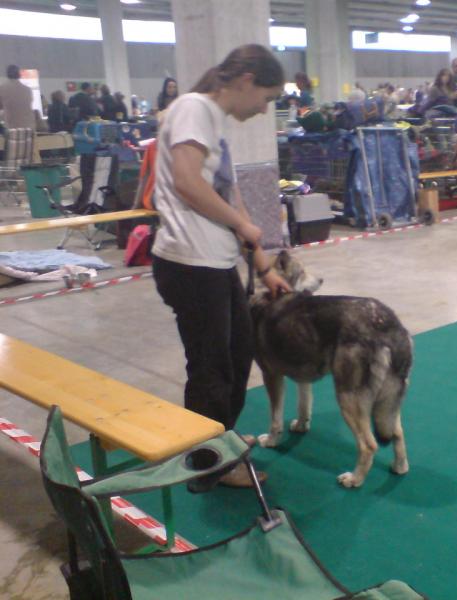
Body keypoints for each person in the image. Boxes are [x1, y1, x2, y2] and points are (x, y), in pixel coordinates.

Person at [151, 44, 292, 490]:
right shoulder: (195, 108)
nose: (264, 109)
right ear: (246, 79)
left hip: (213, 261)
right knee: (212, 368)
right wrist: (240, 224)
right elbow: (188, 182)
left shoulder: (215, 125)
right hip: (190, 264)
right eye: (267, 99)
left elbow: (231, 199)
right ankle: (206, 465)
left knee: (238, 353)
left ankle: (218, 439)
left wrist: (265, 266)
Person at [0, 64, 35, 130]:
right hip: (29, 127)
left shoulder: (2, 89)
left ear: (7, 74)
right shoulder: (28, 89)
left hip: (12, 128)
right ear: (19, 74)